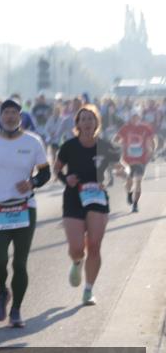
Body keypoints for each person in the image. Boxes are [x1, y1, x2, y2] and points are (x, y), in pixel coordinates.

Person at [0, 99, 50, 327]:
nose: (9, 117)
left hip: (25, 208)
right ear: (0, 116)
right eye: (5, 112)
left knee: (20, 263)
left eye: (13, 113)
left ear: (20, 116)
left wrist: (33, 182)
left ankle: (16, 310)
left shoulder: (33, 142)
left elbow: (45, 173)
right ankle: (2, 291)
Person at [55, 104, 121, 305]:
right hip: (74, 197)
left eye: (90, 119)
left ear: (96, 123)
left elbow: (118, 167)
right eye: (83, 119)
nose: (87, 123)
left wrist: (122, 174)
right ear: (77, 124)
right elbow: (57, 169)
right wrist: (66, 179)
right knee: (76, 248)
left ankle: (89, 290)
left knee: (94, 246)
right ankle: (76, 262)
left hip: (98, 198)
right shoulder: (69, 146)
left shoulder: (105, 145)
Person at [114, 109, 158, 213]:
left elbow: (153, 140)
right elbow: (115, 140)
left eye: (137, 116)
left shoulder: (146, 128)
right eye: (133, 117)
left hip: (141, 160)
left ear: (139, 117)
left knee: (138, 181)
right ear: (130, 117)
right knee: (129, 181)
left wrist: (152, 151)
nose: (135, 119)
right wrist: (120, 146)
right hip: (127, 160)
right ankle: (129, 194)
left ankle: (135, 204)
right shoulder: (125, 128)